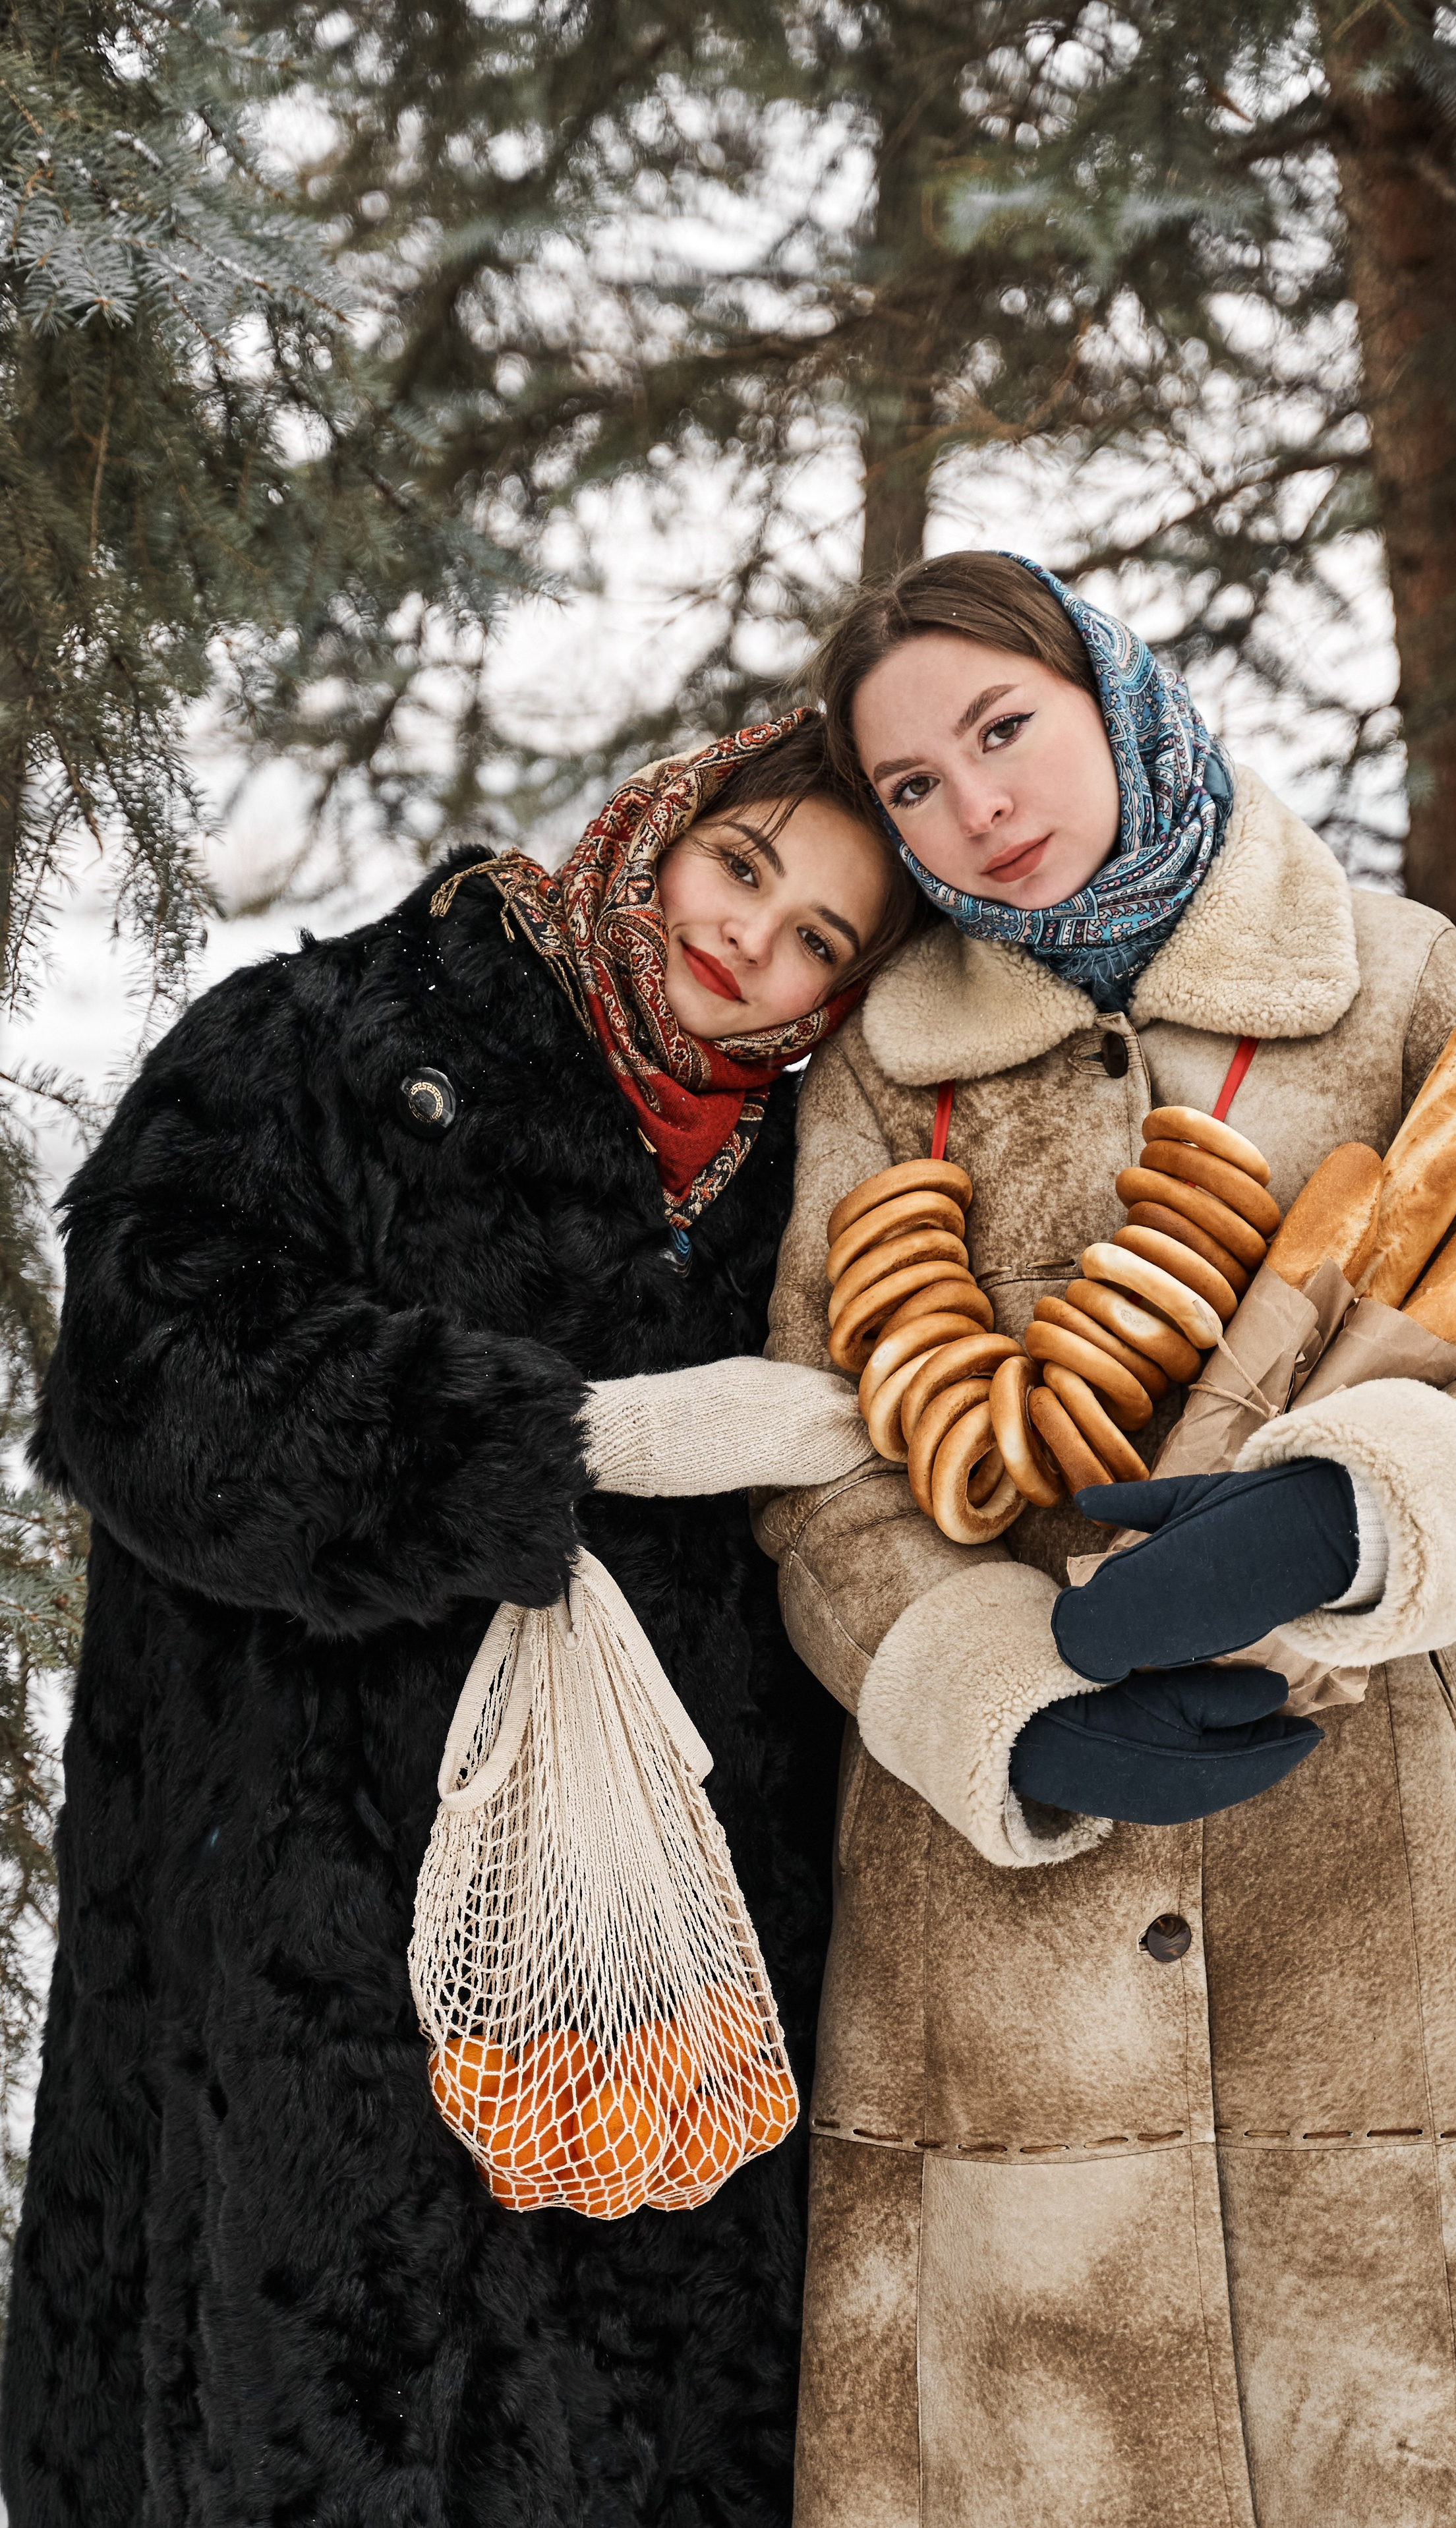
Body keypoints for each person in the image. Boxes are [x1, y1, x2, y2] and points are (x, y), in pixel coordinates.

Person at [755, 554, 1456, 2527]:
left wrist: (1346, 1516)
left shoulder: (1395, 980)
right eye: (909, 785)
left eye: (1002, 727)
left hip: (1363, 1909)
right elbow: (819, 1471)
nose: (975, 803)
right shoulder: (882, 1071)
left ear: (1109, 690)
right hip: (1002, 1952)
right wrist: (999, 1702)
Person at [1, 710, 921, 2528]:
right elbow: (146, 1380)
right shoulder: (326, 1038)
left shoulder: (818, 1174)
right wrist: (561, 1441)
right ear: (662, 820)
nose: (751, 945)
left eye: (823, 937)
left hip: (662, 2010)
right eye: (743, 868)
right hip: (303, 1972)